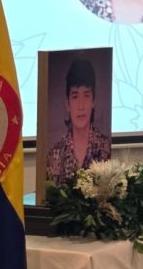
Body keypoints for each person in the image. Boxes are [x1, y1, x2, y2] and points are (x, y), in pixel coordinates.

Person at [46, 58, 112, 187]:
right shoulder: (55, 153)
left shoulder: (104, 146)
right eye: (75, 97)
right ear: (67, 104)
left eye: (86, 95)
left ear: (93, 101)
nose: (81, 106)